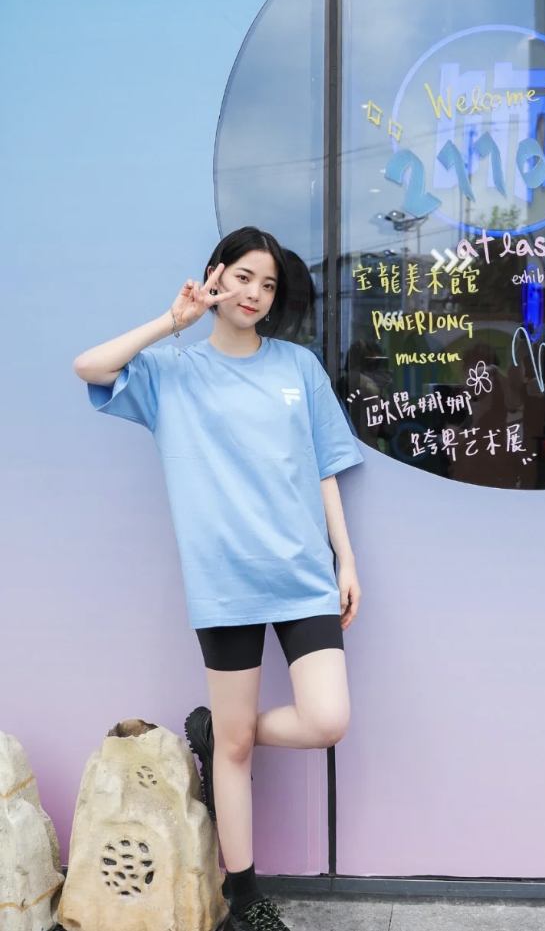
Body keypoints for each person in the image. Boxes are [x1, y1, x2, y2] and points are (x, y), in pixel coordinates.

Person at [73, 226, 363, 931]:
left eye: (268, 284)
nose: (254, 293)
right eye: (242, 277)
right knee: (234, 752)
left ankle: (217, 734)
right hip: (224, 581)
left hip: (302, 574)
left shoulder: (298, 367)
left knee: (326, 718)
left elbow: (325, 466)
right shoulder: (172, 372)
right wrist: (172, 321)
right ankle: (245, 897)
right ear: (214, 276)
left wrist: (346, 559)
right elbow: (90, 366)